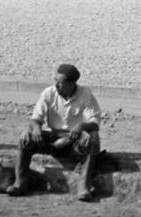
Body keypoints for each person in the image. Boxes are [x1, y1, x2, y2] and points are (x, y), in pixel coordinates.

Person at [9, 63, 102, 201]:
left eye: (60, 82)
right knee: (25, 136)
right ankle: (20, 183)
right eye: (56, 81)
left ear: (71, 84)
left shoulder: (85, 94)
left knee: (92, 137)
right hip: (51, 139)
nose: (57, 85)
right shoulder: (49, 93)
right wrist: (35, 128)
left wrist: (81, 126)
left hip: (73, 141)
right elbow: (35, 118)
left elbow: (94, 122)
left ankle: (84, 186)